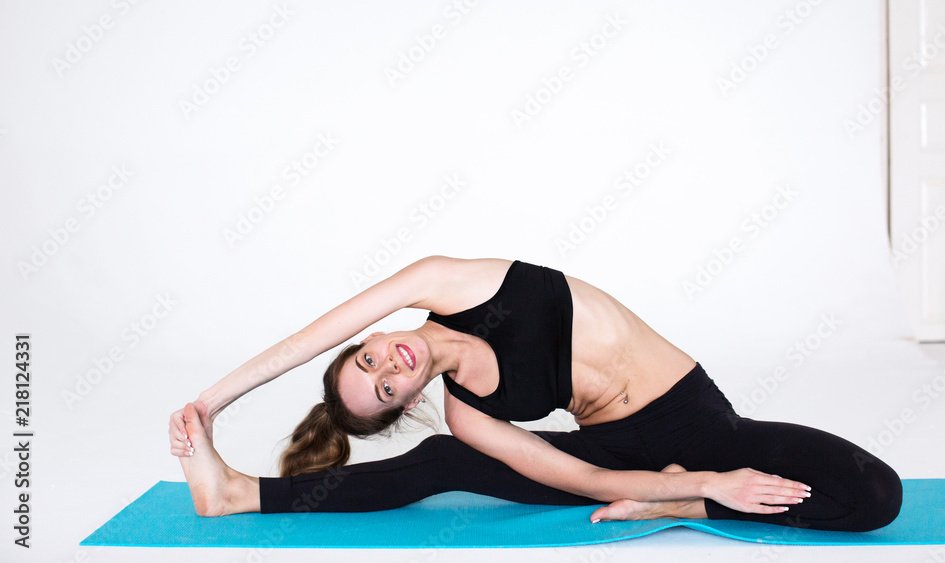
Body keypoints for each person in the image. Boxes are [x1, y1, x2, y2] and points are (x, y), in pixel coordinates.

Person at [169, 256, 902, 530]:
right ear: (407, 397)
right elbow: (588, 477)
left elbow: (305, 337)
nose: (389, 364)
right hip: (616, 456)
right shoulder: (465, 413)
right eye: (387, 387)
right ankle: (237, 493)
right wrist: (719, 487)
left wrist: (210, 399)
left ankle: (678, 502)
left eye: (367, 359)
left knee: (876, 494)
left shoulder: (447, 282)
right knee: (444, 459)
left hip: (701, 426)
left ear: (371, 335)